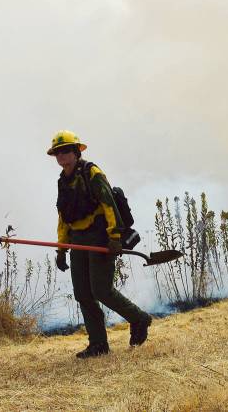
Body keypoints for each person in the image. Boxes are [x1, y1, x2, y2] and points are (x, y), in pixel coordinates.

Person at [49, 130, 153, 358]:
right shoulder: (62, 182)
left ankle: (139, 318)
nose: (61, 156)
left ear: (76, 152)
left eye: (65, 150)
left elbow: (109, 206)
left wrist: (114, 237)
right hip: (77, 240)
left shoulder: (92, 173)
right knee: (83, 294)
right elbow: (63, 217)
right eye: (57, 152)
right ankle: (98, 345)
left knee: (101, 290)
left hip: (99, 236)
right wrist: (61, 249)